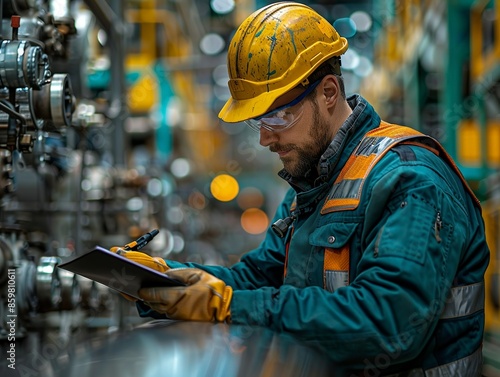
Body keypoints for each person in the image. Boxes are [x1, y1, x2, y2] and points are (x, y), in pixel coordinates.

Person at [115, 2, 490, 375]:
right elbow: (258, 277)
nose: (265, 138)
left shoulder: (410, 178)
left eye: (278, 116)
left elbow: (387, 324)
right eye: (258, 121)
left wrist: (229, 306)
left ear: (328, 93)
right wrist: (165, 279)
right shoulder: (311, 187)